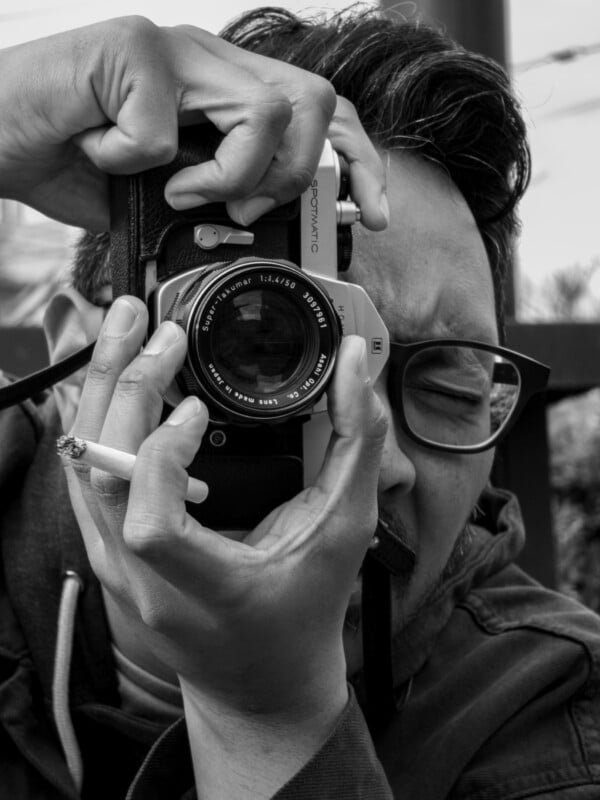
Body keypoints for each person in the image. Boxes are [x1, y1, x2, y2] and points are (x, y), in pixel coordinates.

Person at [1, 7, 600, 800]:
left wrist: (268, 716)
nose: (374, 461)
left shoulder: (556, 713)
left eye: (450, 384)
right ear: (80, 364)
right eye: (263, 348)